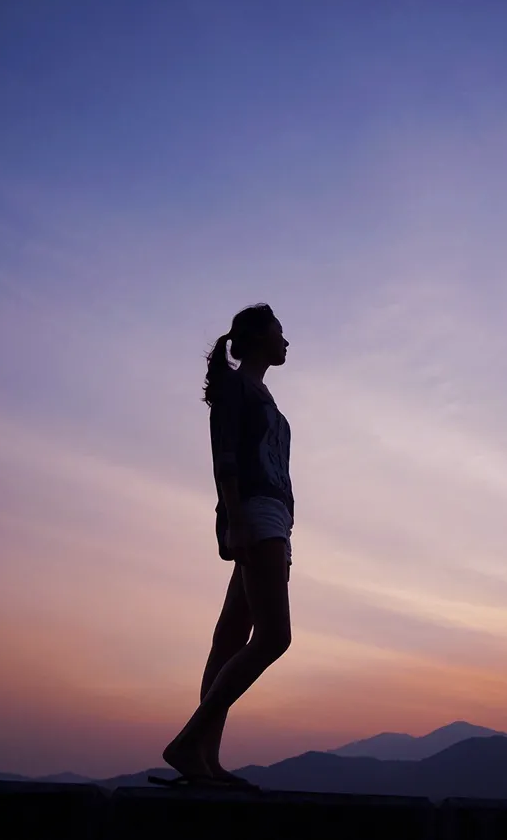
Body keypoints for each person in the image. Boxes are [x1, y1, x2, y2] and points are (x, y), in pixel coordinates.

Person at [162, 303, 293, 787]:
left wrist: (285, 537)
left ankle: (205, 762)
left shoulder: (265, 399)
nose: (286, 341)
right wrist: (236, 519)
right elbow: (227, 458)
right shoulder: (236, 390)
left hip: (274, 521)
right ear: (259, 338)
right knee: (275, 637)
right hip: (255, 515)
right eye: (280, 332)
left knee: (230, 640)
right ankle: (187, 743)